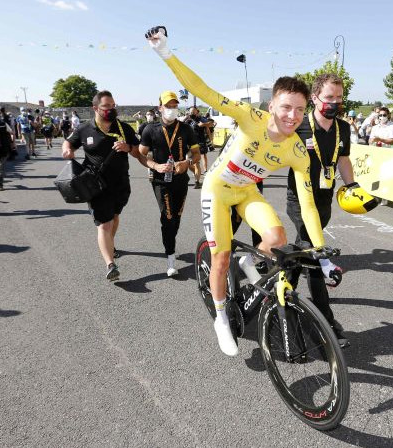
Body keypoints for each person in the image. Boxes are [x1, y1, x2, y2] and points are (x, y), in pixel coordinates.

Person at [146, 26, 336, 356]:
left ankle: (250, 257)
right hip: (217, 191)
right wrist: (166, 53)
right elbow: (202, 90)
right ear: (272, 104)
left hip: (247, 192)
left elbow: (308, 204)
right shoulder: (250, 117)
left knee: (276, 238)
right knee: (220, 259)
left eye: (300, 110)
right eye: (286, 107)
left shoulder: (297, 150)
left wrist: (321, 251)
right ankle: (221, 317)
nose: (292, 116)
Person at [286, 73, 353, 347]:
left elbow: (344, 159)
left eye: (339, 97)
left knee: (302, 249)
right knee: (315, 255)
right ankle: (325, 323)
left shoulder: (343, 128)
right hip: (299, 199)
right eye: (329, 97)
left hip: (325, 200)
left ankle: (281, 290)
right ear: (314, 98)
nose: (334, 103)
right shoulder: (299, 125)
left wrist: (353, 185)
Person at [62, 91, 142, 281]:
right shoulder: (84, 129)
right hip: (96, 186)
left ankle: (110, 246)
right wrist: (67, 150)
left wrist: (128, 148)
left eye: (113, 105)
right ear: (96, 108)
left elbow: (138, 150)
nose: (111, 109)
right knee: (104, 224)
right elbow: (68, 142)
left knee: (114, 218)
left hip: (121, 183)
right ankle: (110, 264)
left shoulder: (123, 128)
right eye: (107, 106)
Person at [136, 91, 201, 276]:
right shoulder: (150, 129)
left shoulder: (186, 129)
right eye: (168, 106)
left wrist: (187, 163)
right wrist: (155, 165)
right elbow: (141, 154)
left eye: (174, 106)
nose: (172, 109)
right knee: (168, 217)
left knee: (177, 217)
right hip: (160, 181)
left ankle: (170, 242)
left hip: (181, 180)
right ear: (160, 108)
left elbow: (196, 154)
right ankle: (170, 256)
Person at [184, 106, 212, 188]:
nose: (192, 113)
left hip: (199, 143)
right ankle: (197, 174)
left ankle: (197, 181)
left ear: (197, 112)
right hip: (189, 145)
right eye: (191, 112)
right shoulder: (188, 120)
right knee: (188, 162)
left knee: (196, 163)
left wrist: (203, 124)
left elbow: (211, 123)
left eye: (193, 111)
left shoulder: (201, 119)